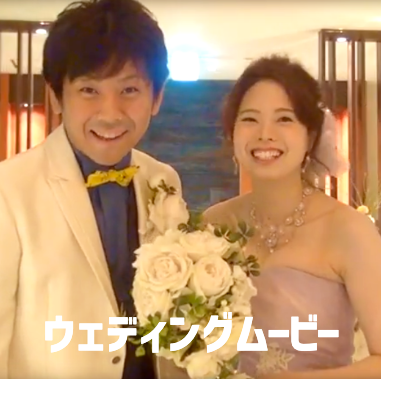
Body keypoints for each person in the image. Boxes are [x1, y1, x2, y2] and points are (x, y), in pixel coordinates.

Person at [0, 0, 184, 379]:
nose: (110, 113)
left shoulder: (162, 179)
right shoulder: (10, 189)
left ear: (157, 97)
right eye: (88, 90)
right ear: (56, 96)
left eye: (129, 89)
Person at [203, 55, 381, 379]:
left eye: (284, 119)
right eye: (250, 119)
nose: (265, 134)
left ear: (310, 136)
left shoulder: (349, 230)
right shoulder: (212, 226)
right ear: (233, 133)